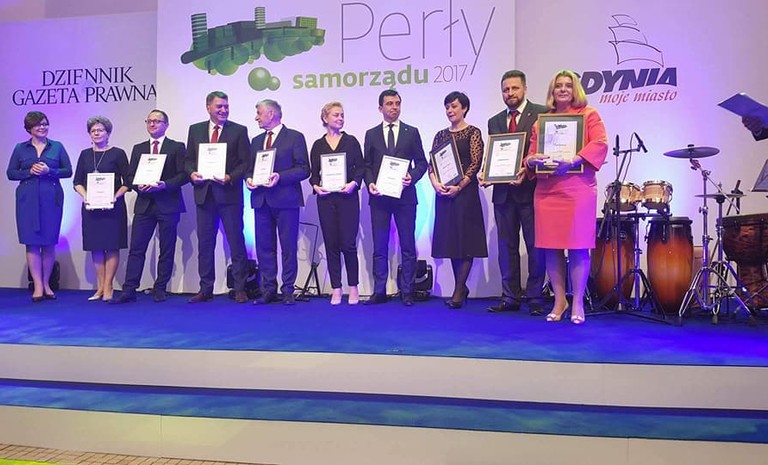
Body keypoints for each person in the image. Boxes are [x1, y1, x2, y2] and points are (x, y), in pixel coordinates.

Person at [524, 70, 608, 325]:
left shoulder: (589, 115)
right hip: (547, 191)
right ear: (552, 91)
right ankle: (560, 300)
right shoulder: (541, 122)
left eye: (568, 85)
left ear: (575, 90)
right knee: (551, 248)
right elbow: (530, 156)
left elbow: (600, 143)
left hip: (578, 190)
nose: (562, 89)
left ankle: (578, 301)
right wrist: (532, 160)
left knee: (578, 247)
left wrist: (574, 160)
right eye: (558, 85)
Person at [484, 70, 549, 315]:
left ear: (525, 89)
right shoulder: (494, 121)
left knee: (535, 246)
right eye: (506, 89)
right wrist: (486, 173)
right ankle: (510, 297)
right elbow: (494, 154)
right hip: (502, 193)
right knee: (506, 247)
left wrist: (526, 169)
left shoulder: (541, 113)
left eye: (514, 88)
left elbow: (544, 151)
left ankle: (535, 297)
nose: (510, 93)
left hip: (531, 191)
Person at [110, 110, 188, 304]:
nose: (152, 124)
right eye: (149, 121)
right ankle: (129, 289)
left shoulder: (176, 147)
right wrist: (138, 186)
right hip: (144, 204)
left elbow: (184, 175)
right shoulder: (139, 148)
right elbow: (130, 176)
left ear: (166, 125)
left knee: (166, 248)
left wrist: (165, 185)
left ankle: (160, 288)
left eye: (157, 121)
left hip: (168, 203)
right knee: (137, 248)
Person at [362, 89, 428, 306]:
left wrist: (412, 176)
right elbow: (367, 165)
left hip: (405, 197)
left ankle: (407, 291)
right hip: (380, 198)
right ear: (380, 108)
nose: (394, 107)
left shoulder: (411, 132)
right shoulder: (371, 134)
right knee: (380, 246)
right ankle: (379, 290)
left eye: (397, 103)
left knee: (407, 245)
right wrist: (370, 183)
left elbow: (422, 163)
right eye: (389, 104)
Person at [185, 91, 251, 304]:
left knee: (236, 242)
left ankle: (240, 288)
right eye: (219, 106)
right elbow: (188, 160)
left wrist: (230, 177)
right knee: (205, 244)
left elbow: (245, 163)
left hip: (229, 195)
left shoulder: (239, 130)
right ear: (208, 107)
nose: (224, 110)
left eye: (226, 106)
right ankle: (206, 289)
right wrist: (191, 173)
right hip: (204, 195)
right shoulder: (195, 130)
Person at [246, 99, 310, 306]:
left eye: (259, 113)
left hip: (286, 200)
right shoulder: (256, 141)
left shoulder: (294, 137)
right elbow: (249, 169)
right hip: (261, 200)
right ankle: (268, 290)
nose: (256, 117)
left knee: (288, 247)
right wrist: (248, 179)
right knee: (264, 247)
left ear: (271, 114)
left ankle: (288, 290)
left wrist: (279, 176)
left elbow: (304, 169)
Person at [429, 91, 488, 308]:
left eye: (454, 106)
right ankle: (460, 288)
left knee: (466, 241)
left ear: (464, 108)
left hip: (465, 194)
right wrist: (436, 184)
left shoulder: (473, 132)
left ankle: (458, 291)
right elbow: (432, 164)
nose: (450, 110)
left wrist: (459, 186)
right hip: (445, 195)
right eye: (447, 107)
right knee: (452, 242)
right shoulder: (440, 135)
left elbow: (475, 163)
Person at [7, 111, 72, 302]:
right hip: (27, 201)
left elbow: (68, 171)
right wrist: (29, 171)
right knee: (32, 242)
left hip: (51, 199)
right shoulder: (20, 148)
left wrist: (49, 170)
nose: (42, 127)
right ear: (29, 128)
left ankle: (46, 284)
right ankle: (37, 286)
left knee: (49, 242)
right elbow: (11, 173)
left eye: (45, 124)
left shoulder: (57, 146)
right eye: (38, 125)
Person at [309, 102, 365, 305]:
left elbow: (361, 168)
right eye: (336, 115)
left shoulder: (351, 142)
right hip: (326, 201)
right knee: (331, 244)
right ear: (325, 118)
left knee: (348, 245)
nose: (340, 118)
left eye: (342, 115)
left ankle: (353, 287)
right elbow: (314, 174)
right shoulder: (318, 145)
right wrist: (316, 186)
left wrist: (354, 184)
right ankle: (336, 288)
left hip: (348, 199)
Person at [73, 116, 131, 302]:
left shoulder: (118, 153)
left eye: (100, 130)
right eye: (93, 131)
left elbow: (128, 182)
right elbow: (77, 182)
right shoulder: (84, 154)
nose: (96, 133)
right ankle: (100, 287)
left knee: (112, 245)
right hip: (92, 208)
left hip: (113, 207)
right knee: (96, 246)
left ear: (108, 133)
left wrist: (115, 196)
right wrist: (86, 196)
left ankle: (108, 286)